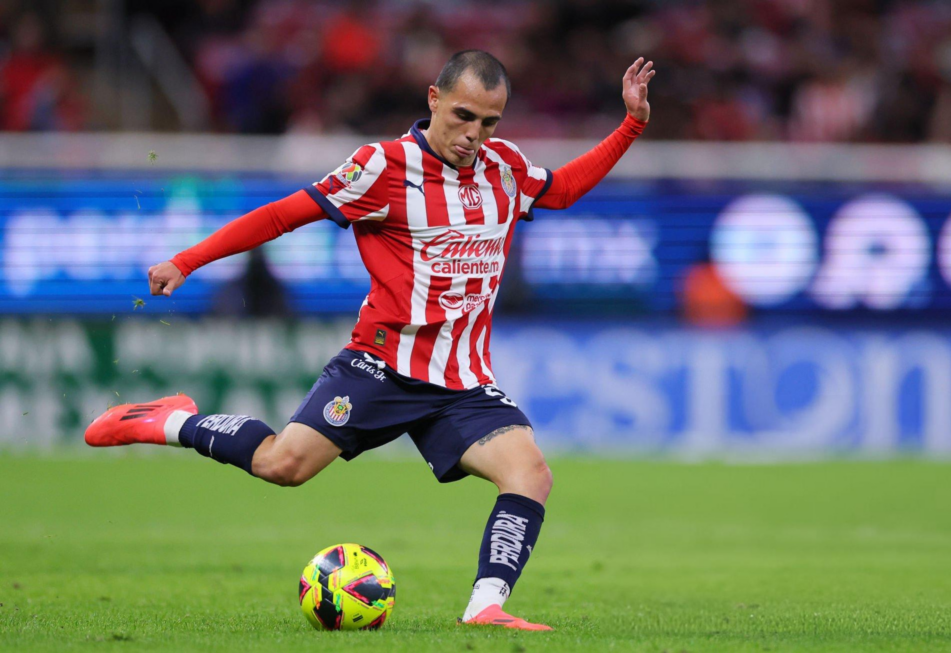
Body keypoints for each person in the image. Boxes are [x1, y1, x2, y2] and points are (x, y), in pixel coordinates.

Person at [85, 50, 655, 631]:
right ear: (434, 99)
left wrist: (631, 124)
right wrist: (187, 260)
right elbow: (282, 216)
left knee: (531, 474)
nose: (474, 134)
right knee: (282, 465)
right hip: (380, 366)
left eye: (489, 122)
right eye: (463, 116)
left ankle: (486, 607)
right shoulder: (382, 167)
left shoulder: (504, 167)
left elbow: (563, 189)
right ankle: (170, 420)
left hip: (461, 382)